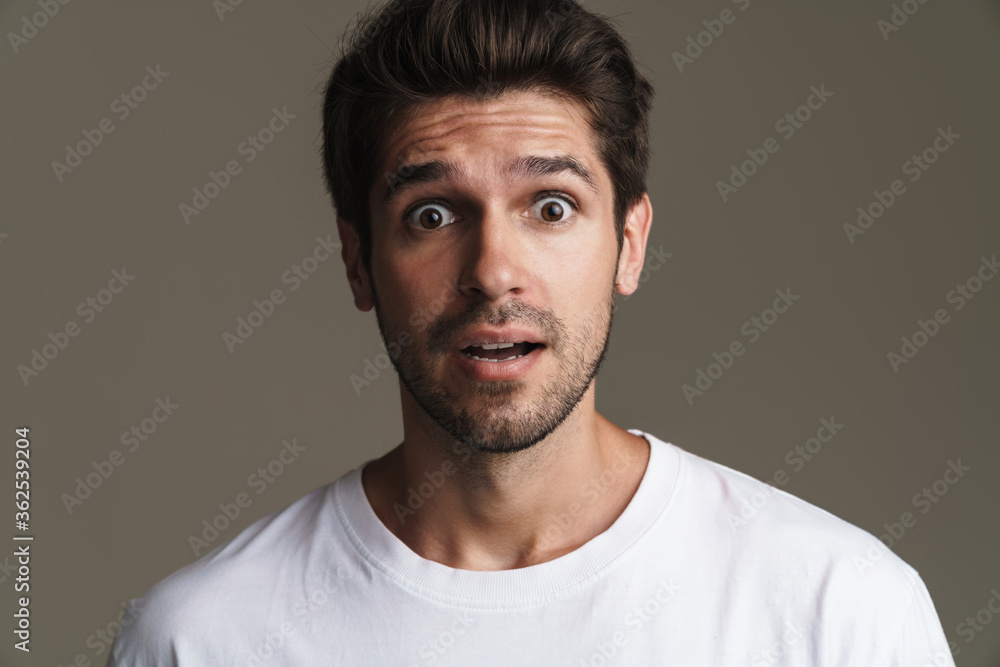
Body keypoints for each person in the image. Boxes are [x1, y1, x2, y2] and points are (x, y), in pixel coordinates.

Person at [109, 0, 956, 664]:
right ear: (358, 261)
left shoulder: (840, 610)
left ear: (629, 243)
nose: (493, 270)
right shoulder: (200, 639)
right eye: (432, 213)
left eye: (551, 207)